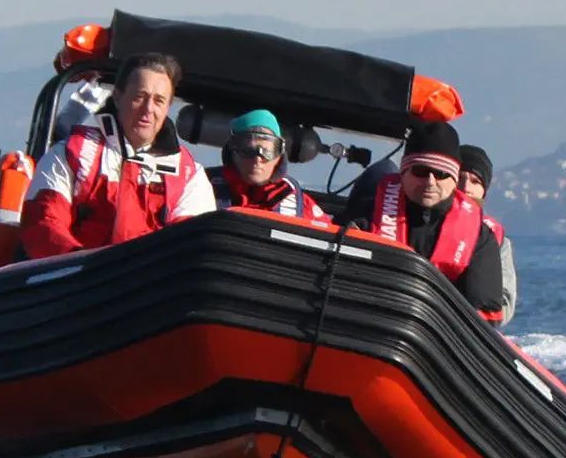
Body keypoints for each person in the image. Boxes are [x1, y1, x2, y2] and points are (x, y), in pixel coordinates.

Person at [20, 52, 216, 258]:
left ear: (167, 108)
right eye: (139, 97)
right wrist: (84, 268)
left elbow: (191, 247)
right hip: (78, 279)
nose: (148, 109)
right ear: (118, 96)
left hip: (155, 284)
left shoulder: (189, 176)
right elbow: (44, 222)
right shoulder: (72, 154)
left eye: (159, 101)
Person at [344, 121, 503, 320]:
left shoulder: (480, 239)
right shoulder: (366, 218)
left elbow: (484, 312)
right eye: (420, 171)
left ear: (454, 180)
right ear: (403, 173)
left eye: (441, 174)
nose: (430, 181)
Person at [208, 110, 330, 222]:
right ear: (232, 151)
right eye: (248, 150)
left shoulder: (303, 206)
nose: (258, 159)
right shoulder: (202, 186)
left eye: (267, 152)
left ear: (279, 156)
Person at [459, 144, 517, 326]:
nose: (466, 187)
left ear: (485, 190)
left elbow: (505, 302)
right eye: (460, 178)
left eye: (475, 181)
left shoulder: (496, 241)